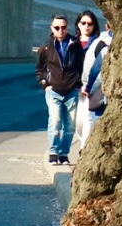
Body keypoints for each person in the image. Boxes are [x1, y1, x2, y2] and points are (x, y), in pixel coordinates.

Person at [34, 14, 83, 165]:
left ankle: (63, 154)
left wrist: (78, 83)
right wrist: (45, 84)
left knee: (69, 125)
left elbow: (81, 65)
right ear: (52, 29)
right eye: (57, 28)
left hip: (71, 90)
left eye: (63, 27)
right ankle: (53, 152)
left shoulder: (74, 44)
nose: (60, 30)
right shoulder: (46, 47)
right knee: (55, 121)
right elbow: (39, 68)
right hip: (53, 90)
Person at [75, 10, 109, 151]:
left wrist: (90, 87)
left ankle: (84, 146)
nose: (86, 26)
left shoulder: (98, 43)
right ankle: (83, 141)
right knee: (78, 122)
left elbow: (96, 67)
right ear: (78, 24)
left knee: (88, 117)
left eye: (90, 24)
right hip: (75, 84)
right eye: (83, 23)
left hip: (89, 86)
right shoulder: (73, 42)